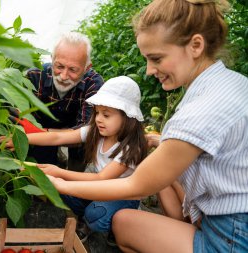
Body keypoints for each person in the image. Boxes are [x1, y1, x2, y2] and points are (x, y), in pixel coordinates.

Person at [45, 0, 248, 252]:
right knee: (125, 221)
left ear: (196, 45)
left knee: (120, 220)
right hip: (228, 220)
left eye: (156, 58)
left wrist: (59, 182)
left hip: (231, 237)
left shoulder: (202, 109)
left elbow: (136, 184)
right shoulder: (232, 83)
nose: (150, 70)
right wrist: (164, 141)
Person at [0, 76, 148, 243]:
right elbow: (56, 138)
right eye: (97, 112)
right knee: (59, 191)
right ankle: (88, 213)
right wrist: (22, 138)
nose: (99, 118)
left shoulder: (130, 149)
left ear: (128, 118)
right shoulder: (96, 132)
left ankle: (111, 225)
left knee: (95, 213)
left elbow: (101, 178)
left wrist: (58, 172)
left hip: (121, 197)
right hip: (99, 189)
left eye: (106, 115)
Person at [25, 31, 104, 171]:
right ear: (52, 59)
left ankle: (74, 178)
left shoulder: (93, 84)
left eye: (73, 69)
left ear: (87, 68)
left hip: (74, 134)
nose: (63, 76)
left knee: (83, 152)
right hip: (41, 128)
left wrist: (45, 134)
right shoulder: (35, 76)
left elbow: (85, 131)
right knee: (42, 159)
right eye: (59, 66)